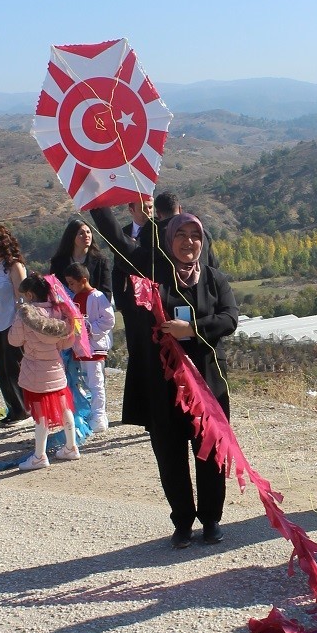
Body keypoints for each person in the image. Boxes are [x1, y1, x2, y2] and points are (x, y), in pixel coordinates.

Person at [90, 205, 239, 548]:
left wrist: (192, 329)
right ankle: (183, 522)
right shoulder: (152, 273)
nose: (189, 242)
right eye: (182, 235)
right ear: (169, 240)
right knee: (171, 457)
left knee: (211, 454)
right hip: (164, 388)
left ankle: (211, 519)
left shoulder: (213, 279)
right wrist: (96, 198)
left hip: (207, 388)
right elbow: (117, 240)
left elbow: (230, 318)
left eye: (196, 236)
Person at [8, 274, 79, 470]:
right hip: (56, 368)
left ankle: (39, 456)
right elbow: (66, 342)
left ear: (29, 294)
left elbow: (13, 340)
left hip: (35, 371)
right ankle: (71, 447)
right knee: (65, 408)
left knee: (40, 414)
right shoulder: (60, 313)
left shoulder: (26, 315)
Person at [110, 197, 154, 427]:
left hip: (155, 306)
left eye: (150, 207)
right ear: (130, 209)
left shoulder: (159, 231)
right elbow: (117, 272)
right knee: (137, 354)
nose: (148, 212)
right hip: (132, 307)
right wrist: (121, 304)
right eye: (143, 208)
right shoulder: (123, 234)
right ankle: (139, 410)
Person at [0, 224, 28, 425]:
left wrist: (21, 324)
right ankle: (13, 408)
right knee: (1, 369)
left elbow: (22, 297)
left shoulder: (14, 266)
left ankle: (24, 409)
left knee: (14, 368)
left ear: (4, 242)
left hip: (12, 323)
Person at [64, 262, 115, 433]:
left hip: (94, 348)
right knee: (85, 383)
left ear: (83, 280)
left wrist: (89, 328)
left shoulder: (98, 297)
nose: (70, 286)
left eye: (72, 283)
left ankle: (100, 416)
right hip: (80, 348)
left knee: (96, 383)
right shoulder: (74, 298)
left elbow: (109, 320)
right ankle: (90, 413)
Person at [50, 219, 112, 302]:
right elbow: (54, 289)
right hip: (67, 311)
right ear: (72, 237)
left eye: (88, 232)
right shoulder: (58, 263)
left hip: (94, 309)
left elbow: (106, 292)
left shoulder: (101, 261)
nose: (86, 236)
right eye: (81, 233)